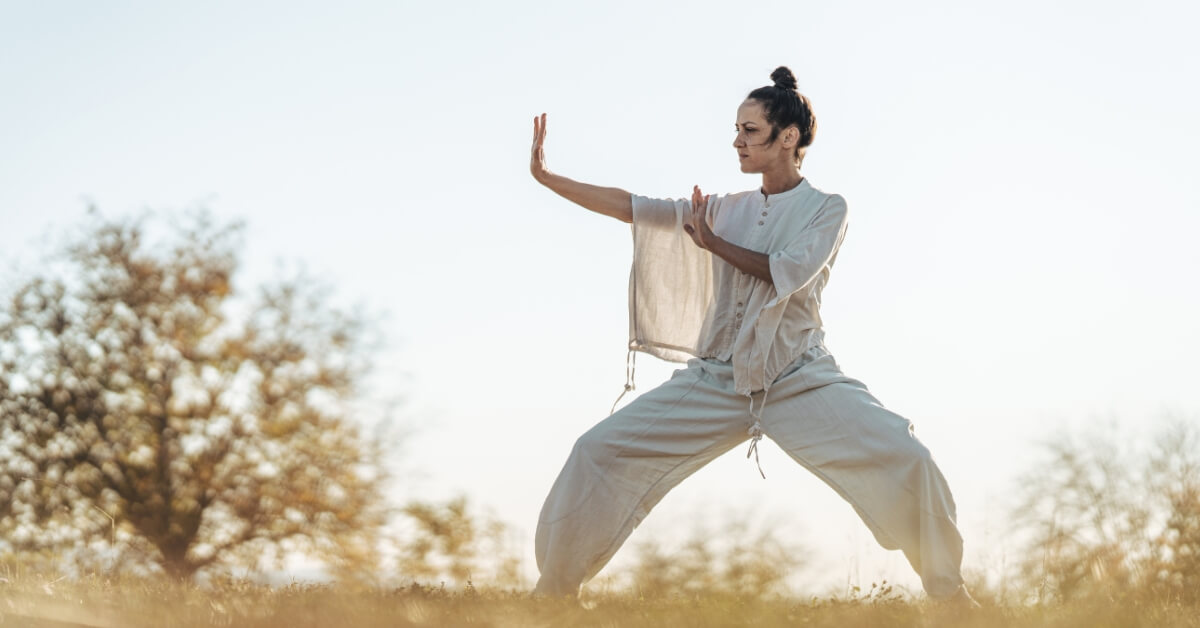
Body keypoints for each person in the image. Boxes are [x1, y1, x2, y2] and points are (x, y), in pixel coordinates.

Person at [528, 66, 976, 605]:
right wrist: (549, 178)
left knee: (907, 456)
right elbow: (633, 207)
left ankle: (950, 594)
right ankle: (553, 595)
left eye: (750, 131)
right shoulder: (726, 208)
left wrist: (713, 244)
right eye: (736, 129)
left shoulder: (826, 209)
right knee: (596, 451)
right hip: (716, 379)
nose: (736, 141)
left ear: (789, 138)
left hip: (798, 378)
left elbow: (786, 271)